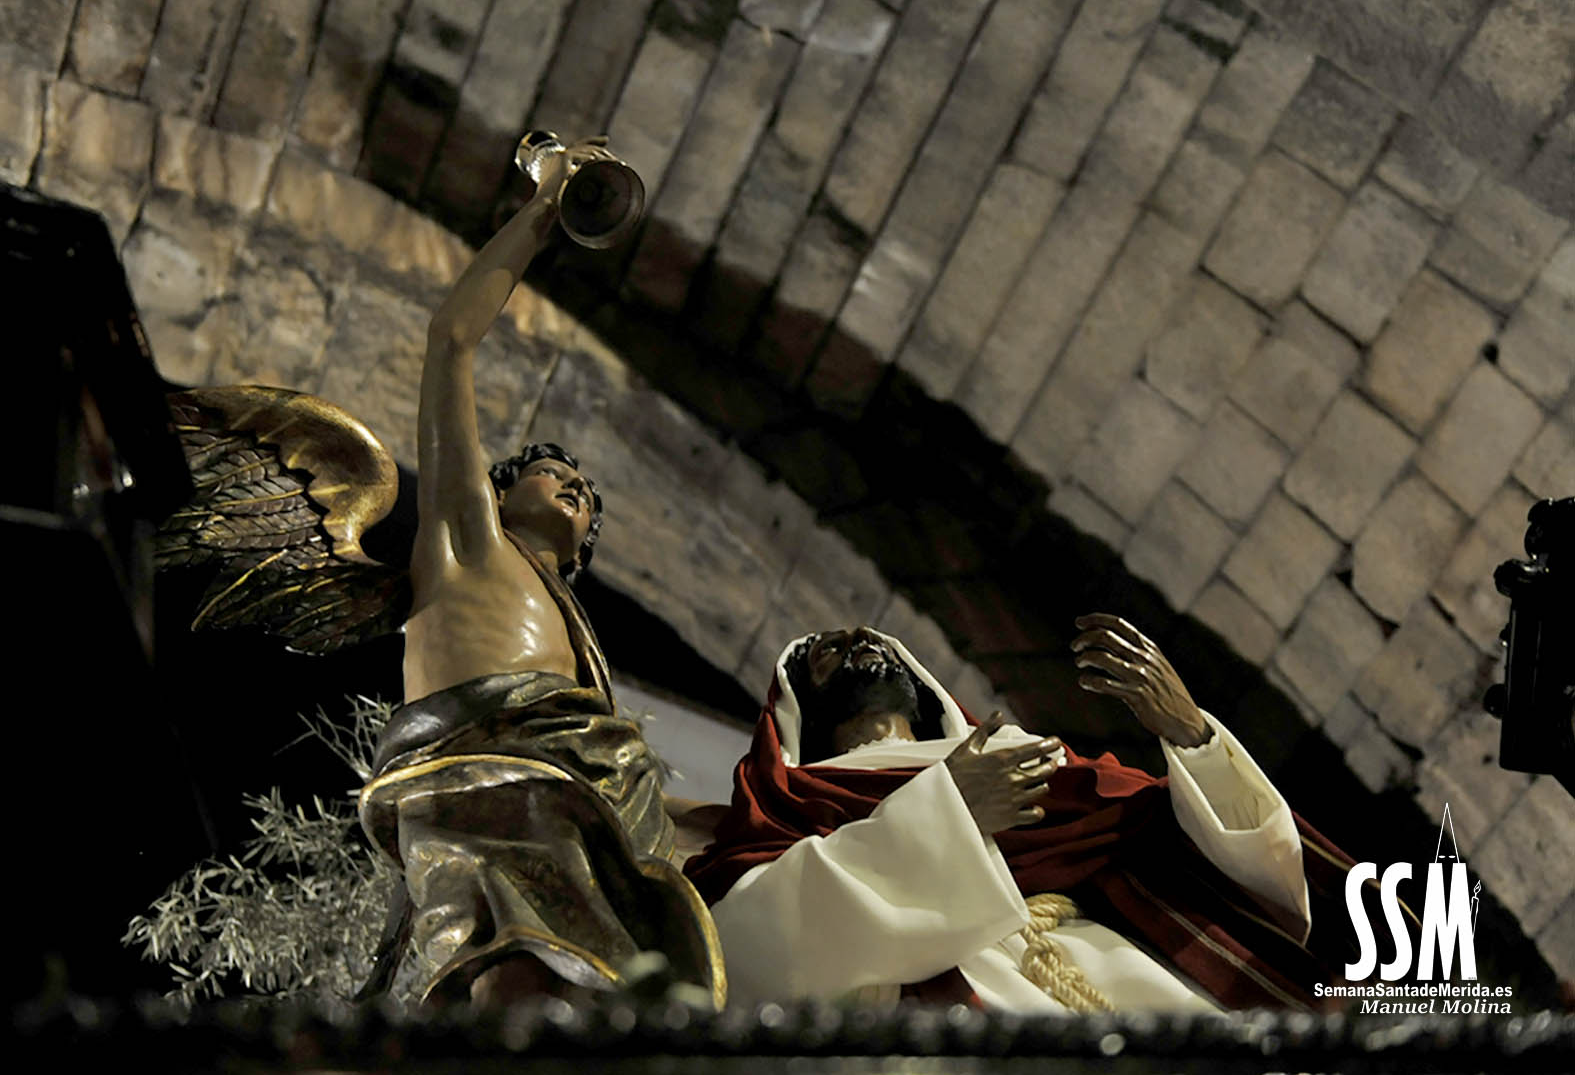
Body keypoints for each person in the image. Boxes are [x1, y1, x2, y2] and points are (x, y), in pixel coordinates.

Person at [356, 136, 723, 1009]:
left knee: (608, 996)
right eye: (551, 472)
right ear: (496, 491)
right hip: (482, 785)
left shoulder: (577, 646)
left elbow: (608, 775)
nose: (575, 487)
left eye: (586, 495)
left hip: (581, 804)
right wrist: (544, 209)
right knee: (513, 970)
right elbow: (450, 341)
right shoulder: (466, 543)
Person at [685, 619, 1368, 1013]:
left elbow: (1245, 876)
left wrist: (1194, 739)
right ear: (797, 708)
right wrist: (944, 814)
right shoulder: (788, 815)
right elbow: (746, 951)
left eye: (875, 638)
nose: (860, 638)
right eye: (827, 651)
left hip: (1135, 976)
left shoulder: (1029, 759)